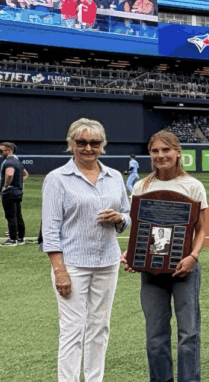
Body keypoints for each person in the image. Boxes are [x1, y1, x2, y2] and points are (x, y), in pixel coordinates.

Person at [42, 118, 131, 382]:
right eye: (81, 142)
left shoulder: (114, 176)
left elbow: (127, 215)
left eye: (94, 143)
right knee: (72, 328)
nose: (88, 148)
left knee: (99, 327)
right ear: (71, 144)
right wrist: (59, 271)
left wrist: (120, 218)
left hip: (107, 261)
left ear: (103, 145)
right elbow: (50, 229)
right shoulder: (57, 178)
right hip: (73, 263)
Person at [119, 131, 207, 382]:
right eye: (155, 151)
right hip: (152, 270)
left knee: (188, 334)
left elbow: (201, 229)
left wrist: (193, 256)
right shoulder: (141, 186)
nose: (160, 156)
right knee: (155, 336)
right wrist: (131, 254)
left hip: (184, 269)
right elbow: (139, 229)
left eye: (166, 150)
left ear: (178, 152)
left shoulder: (193, 186)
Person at [2, 142, 28, 246]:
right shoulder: (17, 161)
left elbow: (9, 174)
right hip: (18, 192)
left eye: (2, 150)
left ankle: (12, 239)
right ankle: (20, 238)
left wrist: (6, 185)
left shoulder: (9, 161)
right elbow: (25, 173)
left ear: (8, 150)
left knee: (11, 216)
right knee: (18, 215)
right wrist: (18, 183)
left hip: (10, 193)